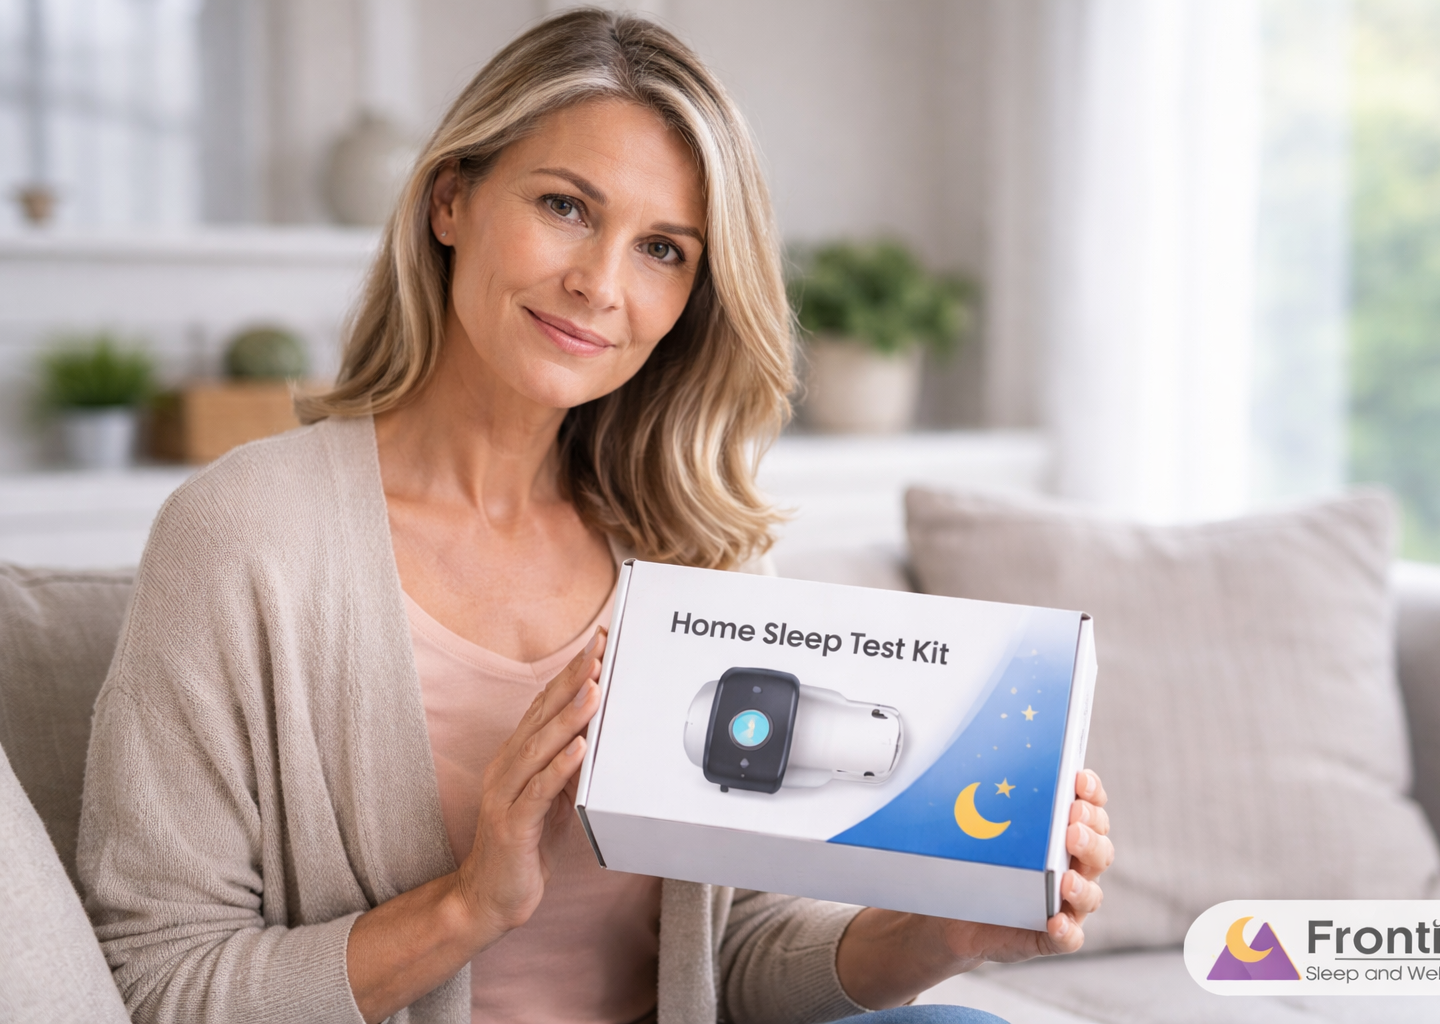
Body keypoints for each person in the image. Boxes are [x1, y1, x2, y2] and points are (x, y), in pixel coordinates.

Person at [77, 9, 1113, 1024]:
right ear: (451, 200)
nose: (599, 285)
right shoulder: (244, 537)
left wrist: (941, 936)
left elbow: (730, 958)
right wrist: (468, 903)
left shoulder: (692, 551)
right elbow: (161, 982)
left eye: (663, 249)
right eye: (567, 206)